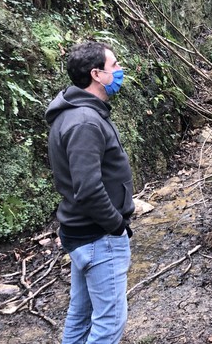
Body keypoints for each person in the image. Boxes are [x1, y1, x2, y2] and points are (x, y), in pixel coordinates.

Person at [46, 41, 134, 344]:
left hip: (83, 233)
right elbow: (88, 189)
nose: (120, 70)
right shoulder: (84, 121)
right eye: (115, 65)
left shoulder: (75, 113)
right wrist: (117, 225)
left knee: (81, 314)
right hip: (98, 236)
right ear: (97, 74)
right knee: (110, 322)